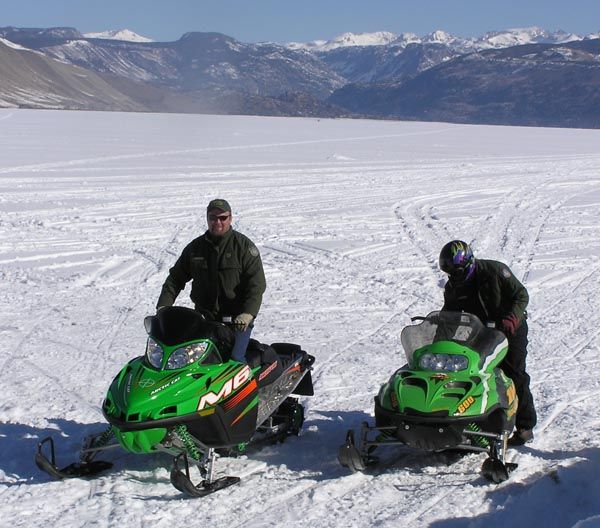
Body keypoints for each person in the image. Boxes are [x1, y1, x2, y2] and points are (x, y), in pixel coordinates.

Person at [438, 240, 536, 445]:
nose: (454, 277)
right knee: (475, 371)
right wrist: (439, 341)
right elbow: (449, 314)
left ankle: (525, 426)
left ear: (469, 263)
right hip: (481, 329)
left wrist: (512, 318)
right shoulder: (454, 286)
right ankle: (476, 418)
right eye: (450, 274)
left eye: (457, 272)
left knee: (513, 373)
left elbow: (521, 295)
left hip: (511, 328)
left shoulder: (495, 270)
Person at [156, 198, 266, 362]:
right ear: (207, 218)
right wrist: (164, 306)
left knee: (234, 362)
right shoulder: (195, 248)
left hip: (237, 322)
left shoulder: (243, 247)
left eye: (223, 218)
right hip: (205, 320)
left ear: (230, 218)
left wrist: (247, 313)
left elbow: (256, 285)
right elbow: (175, 278)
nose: (218, 222)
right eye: (213, 217)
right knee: (189, 360)